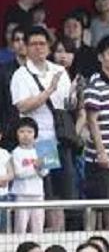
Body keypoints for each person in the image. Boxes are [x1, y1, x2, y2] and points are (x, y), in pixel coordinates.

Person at [10, 26, 74, 232]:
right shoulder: (22, 74)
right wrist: (48, 91)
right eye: (34, 44)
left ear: (49, 46)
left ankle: (59, 234)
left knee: (62, 190)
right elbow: (23, 106)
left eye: (42, 44)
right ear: (26, 48)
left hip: (61, 138)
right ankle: (41, 235)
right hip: (39, 141)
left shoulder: (60, 71)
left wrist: (76, 94)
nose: (39, 48)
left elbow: (67, 104)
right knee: (45, 191)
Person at [10, 117, 47, 234]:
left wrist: (40, 168)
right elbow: (18, 173)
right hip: (21, 194)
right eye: (22, 131)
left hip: (38, 194)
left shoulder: (41, 150)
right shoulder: (15, 152)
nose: (25, 135)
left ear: (35, 134)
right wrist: (35, 167)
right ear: (16, 134)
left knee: (38, 226)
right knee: (20, 227)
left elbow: (45, 173)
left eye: (29, 132)